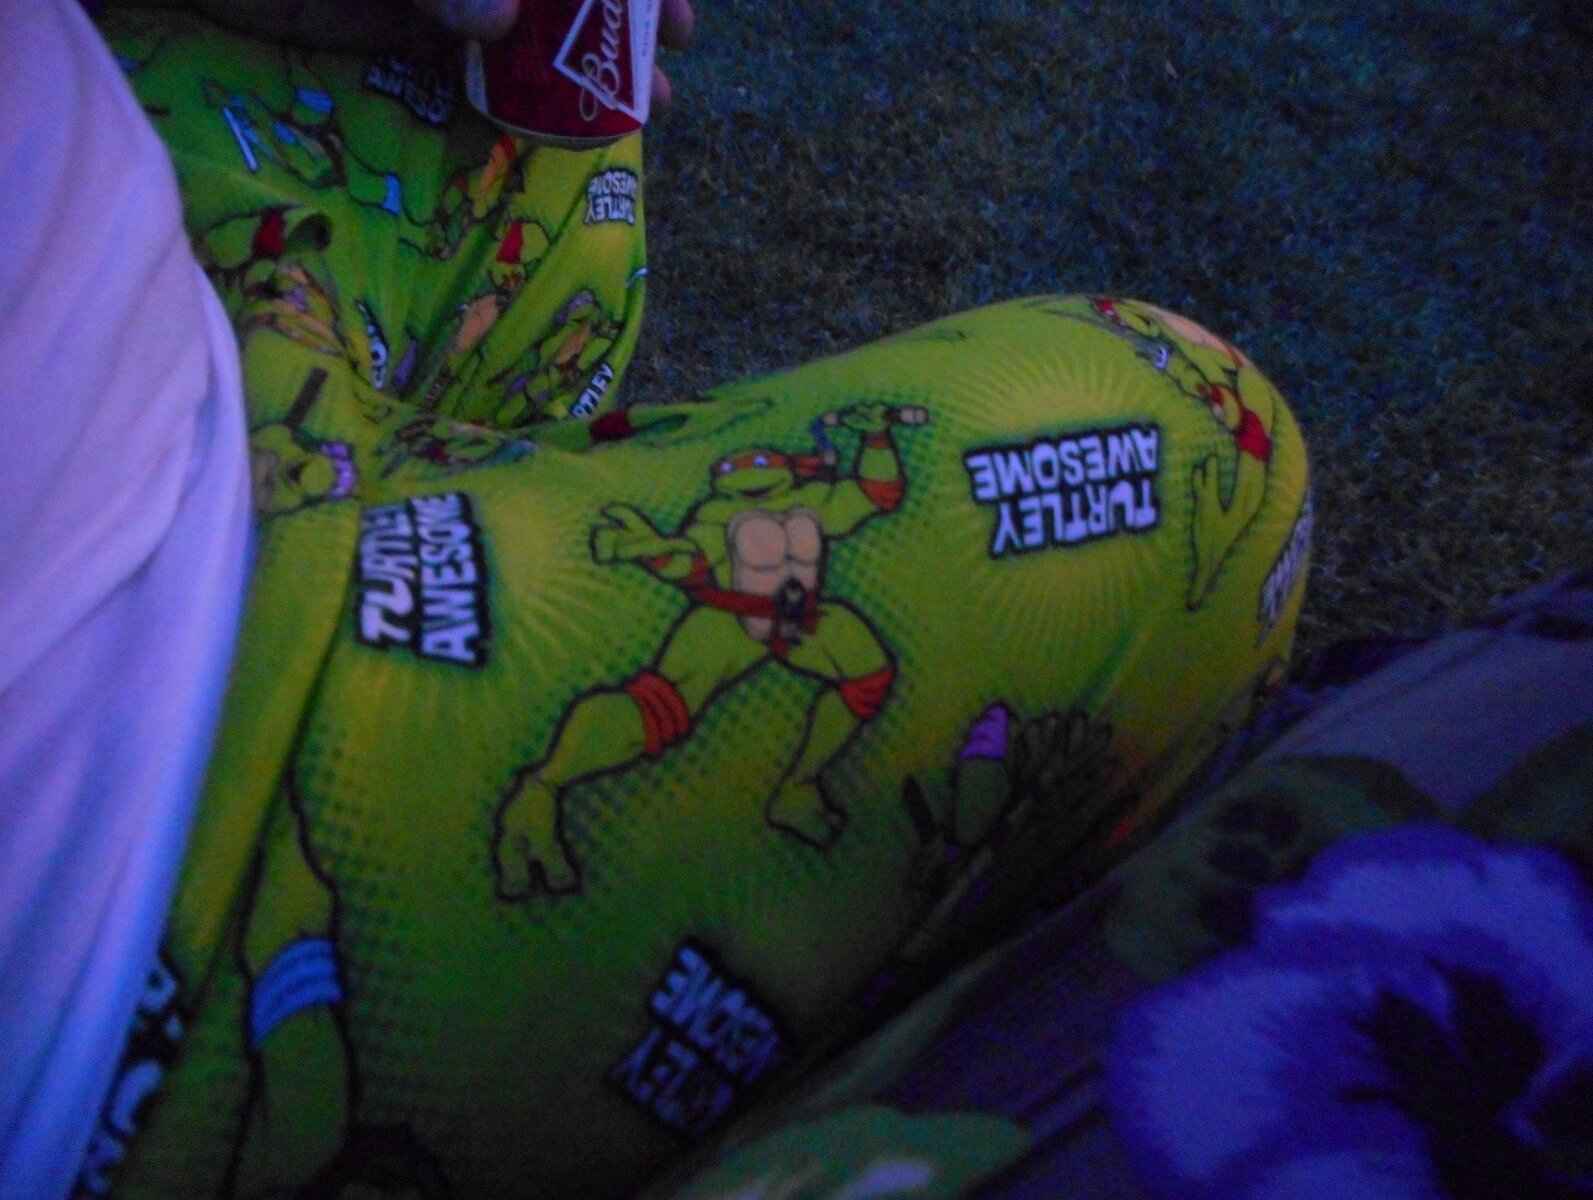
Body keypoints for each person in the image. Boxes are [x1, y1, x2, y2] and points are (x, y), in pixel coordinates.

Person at [0, 2, 1312, 1197]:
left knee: (530, 140)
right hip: (156, 831)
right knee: (1200, 444)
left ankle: (476, 536)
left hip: (131, 328)